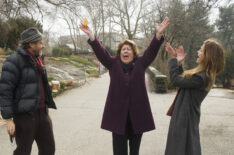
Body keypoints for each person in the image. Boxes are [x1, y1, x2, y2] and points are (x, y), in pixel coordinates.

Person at [80, 17, 169, 155]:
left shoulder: (141, 63)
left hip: (137, 118)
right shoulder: (112, 64)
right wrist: (92, 36)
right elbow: (101, 52)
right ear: (120, 52)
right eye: (123, 49)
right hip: (118, 118)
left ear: (133, 53)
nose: (125, 51)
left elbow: (151, 51)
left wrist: (158, 36)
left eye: (128, 49)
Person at [0, 27, 57, 155]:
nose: (43, 46)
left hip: (42, 114)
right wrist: (8, 118)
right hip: (24, 116)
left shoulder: (39, 60)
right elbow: (5, 91)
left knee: (48, 150)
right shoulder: (13, 62)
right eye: (40, 43)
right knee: (23, 151)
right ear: (31, 44)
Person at [164, 39, 225, 155]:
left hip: (184, 121)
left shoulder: (201, 78)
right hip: (185, 118)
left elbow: (176, 80)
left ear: (208, 56)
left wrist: (173, 60)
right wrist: (179, 63)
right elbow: (184, 81)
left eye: (201, 50)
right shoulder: (203, 76)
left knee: (181, 150)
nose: (198, 52)